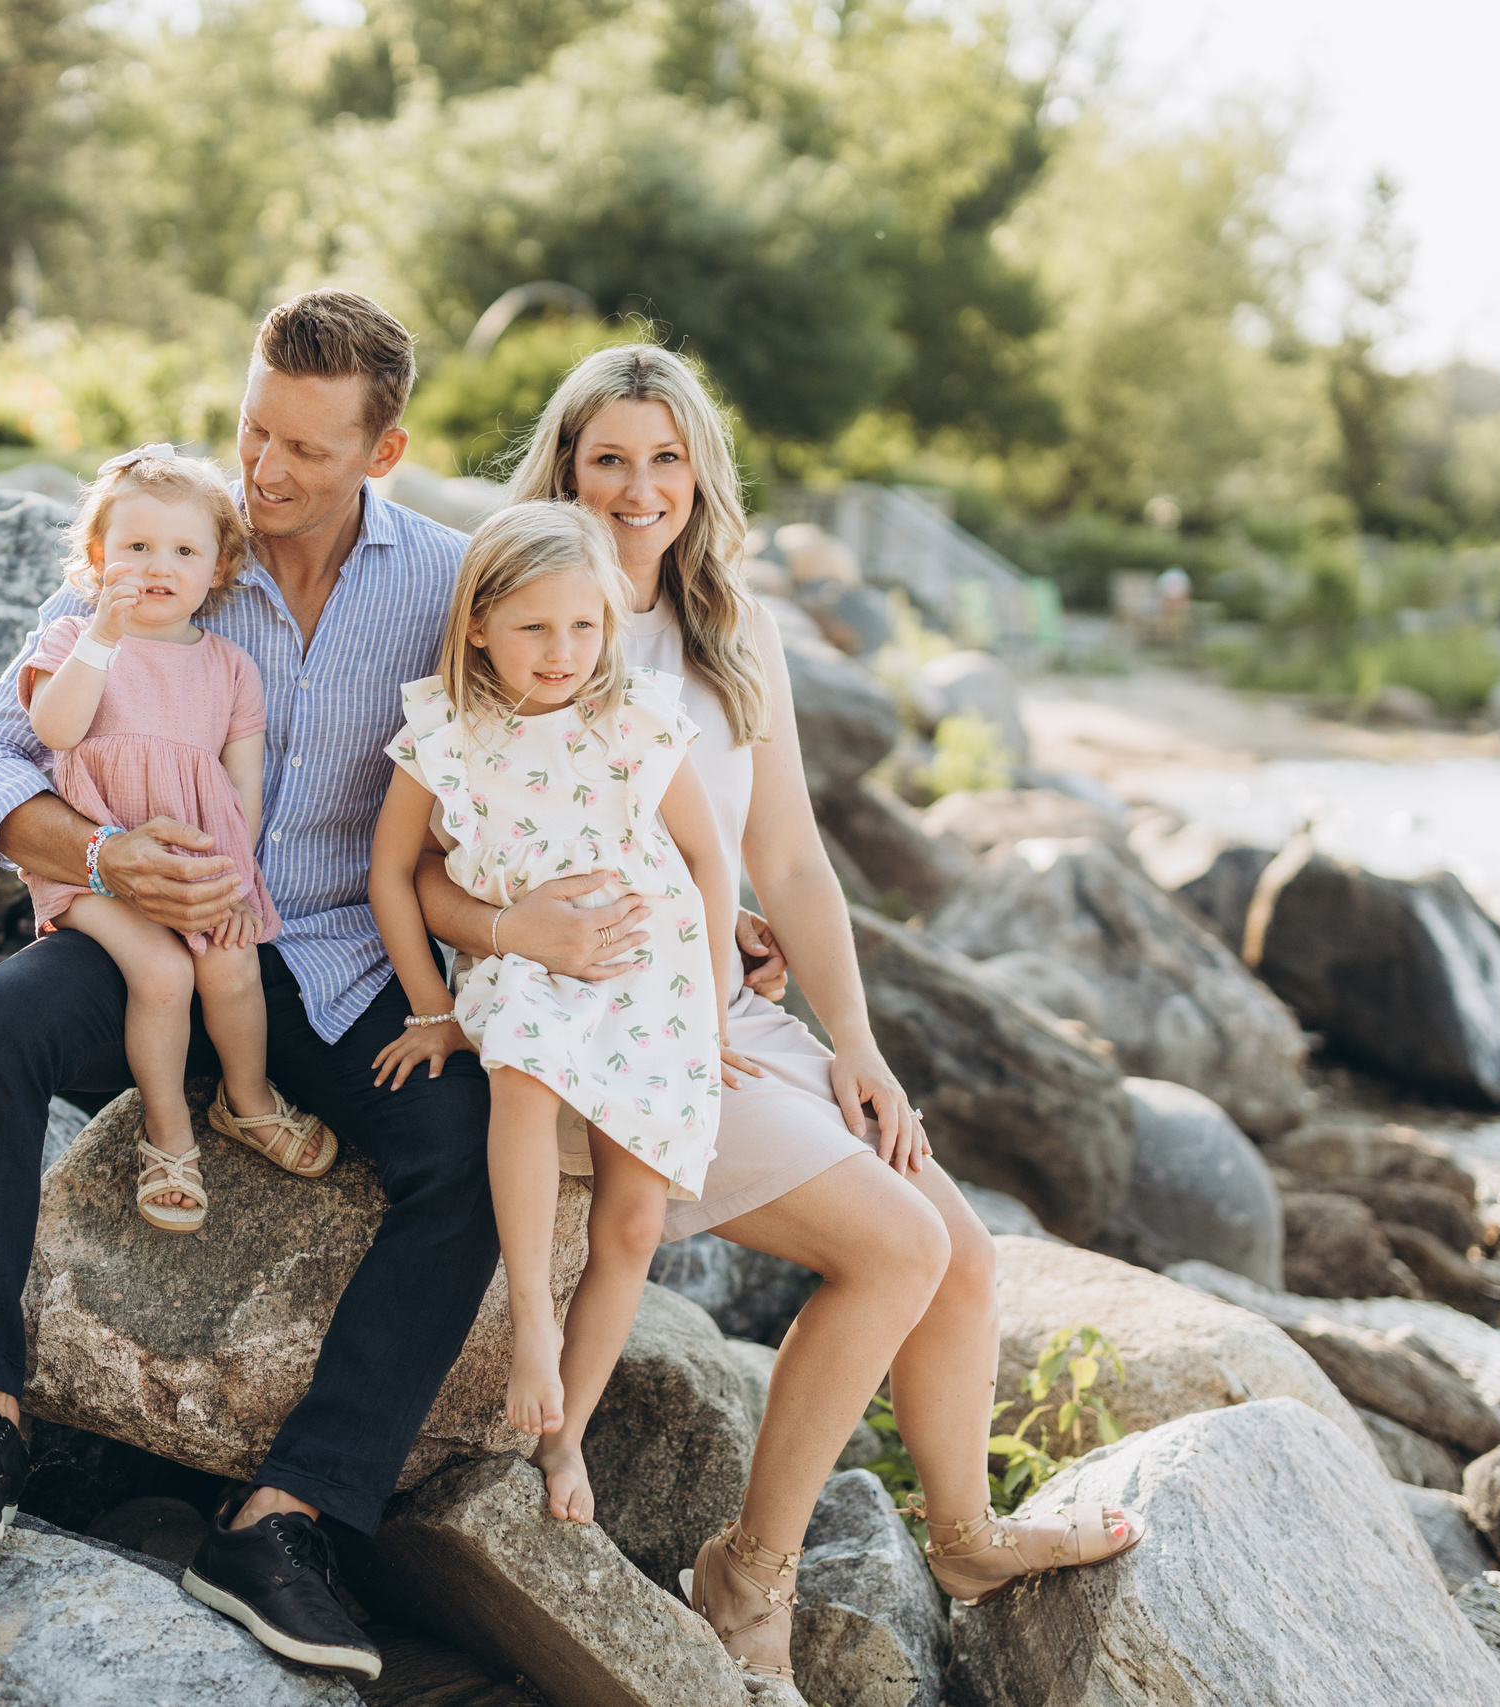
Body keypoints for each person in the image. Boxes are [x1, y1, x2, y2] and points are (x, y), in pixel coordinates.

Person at [0, 289, 629, 1683]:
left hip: (354, 958)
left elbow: (572, 726)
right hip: (157, 937)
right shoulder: (167, 544)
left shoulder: (446, 580)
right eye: (253, 431)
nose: (265, 471)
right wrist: (106, 852)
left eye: (304, 447)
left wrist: (726, 925)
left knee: (472, 1157)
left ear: (385, 448)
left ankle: (282, 1516)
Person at [413, 343, 1144, 1692]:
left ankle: (968, 1536)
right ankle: (751, 1574)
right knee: (891, 1247)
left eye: (666, 459)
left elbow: (792, 860)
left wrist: (856, 1041)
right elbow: (431, 863)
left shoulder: (732, 626)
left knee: (964, 1253)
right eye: (610, 458)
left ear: (703, 472)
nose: (640, 489)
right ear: (566, 466)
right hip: (596, 1035)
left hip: (730, 1012)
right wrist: (523, 929)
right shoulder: (531, 610)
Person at [367, 500, 740, 1524]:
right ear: (479, 623)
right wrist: (433, 1005)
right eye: (535, 627)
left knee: (636, 1217)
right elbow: (392, 874)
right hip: (526, 961)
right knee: (520, 1061)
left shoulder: (633, 719)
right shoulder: (445, 733)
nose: (563, 651)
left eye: (584, 627)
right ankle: (532, 1318)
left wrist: (710, 1011)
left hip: (651, 969)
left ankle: (563, 1439)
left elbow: (710, 862)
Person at [7, 443, 333, 1239]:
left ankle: (245, 1100)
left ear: (219, 567)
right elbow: (53, 728)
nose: (160, 565)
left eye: (184, 550)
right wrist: (102, 637)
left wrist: (234, 873)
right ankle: (167, 1134)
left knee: (231, 964)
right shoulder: (76, 642)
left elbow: (244, 780)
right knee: (160, 971)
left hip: (201, 866)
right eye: (137, 547)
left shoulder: (229, 667)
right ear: (98, 558)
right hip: (98, 873)